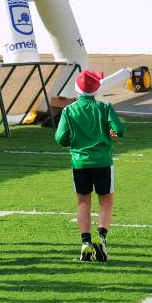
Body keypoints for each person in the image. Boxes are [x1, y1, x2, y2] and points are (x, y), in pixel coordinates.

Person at [55, 70, 126, 263]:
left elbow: (60, 138)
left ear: (77, 89)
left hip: (80, 163)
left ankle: (85, 241)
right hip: (103, 162)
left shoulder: (68, 110)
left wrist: (73, 140)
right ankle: (101, 237)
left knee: (83, 202)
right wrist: (111, 130)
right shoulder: (105, 107)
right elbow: (120, 129)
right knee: (106, 202)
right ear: (96, 90)